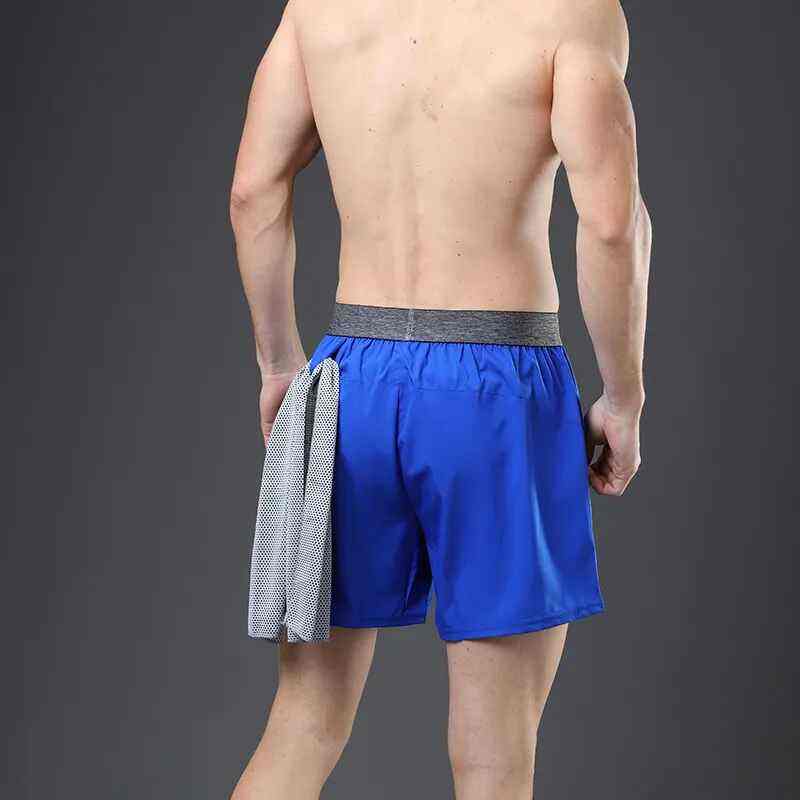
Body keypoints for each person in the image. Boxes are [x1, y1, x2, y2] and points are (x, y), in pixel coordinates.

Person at [229, 0, 651, 797]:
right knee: (494, 757)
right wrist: (622, 398)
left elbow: (254, 190)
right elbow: (610, 224)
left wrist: (279, 364)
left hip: (350, 381)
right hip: (499, 390)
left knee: (304, 720)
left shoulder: (319, 10)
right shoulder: (571, 11)